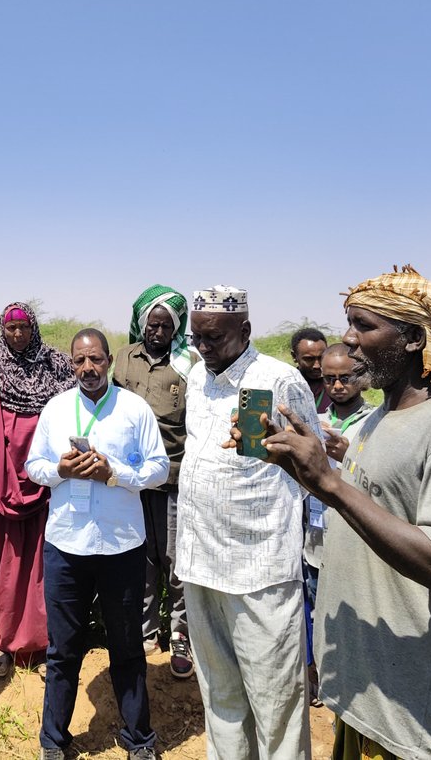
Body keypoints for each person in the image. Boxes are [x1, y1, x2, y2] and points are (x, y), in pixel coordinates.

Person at [258, 265, 431, 759]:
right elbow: (370, 509)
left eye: (364, 326)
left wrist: (329, 482)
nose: (347, 339)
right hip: (369, 693)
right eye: (348, 323)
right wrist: (304, 471)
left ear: (413, 338)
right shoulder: (379, 418)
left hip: (422, 716)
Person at [175, 285, 320, 760]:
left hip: (259, 571)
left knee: (276, 702)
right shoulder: (197, 376)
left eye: (214, 337)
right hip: (200, 563)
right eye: (197, 337)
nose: (204, 347)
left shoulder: (280, 381)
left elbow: (316, 474)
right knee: (220, 696)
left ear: (246, 331)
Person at [25, 328, 168, 760]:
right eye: (79, 361)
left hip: (120, 546)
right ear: (72, 365)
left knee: (126, 647)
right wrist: (61, 471)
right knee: (63, 648)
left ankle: (138, 738)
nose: (87, 368)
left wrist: (116, 473)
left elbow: (159, 468)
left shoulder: (134, 408)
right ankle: (54, 740)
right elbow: (34, 466)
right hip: (67, 544)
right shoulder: (56, 408)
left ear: (109, 361)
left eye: (96, 360)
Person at [0, 301, 76, 677]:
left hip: (50, 479)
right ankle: (6, 644)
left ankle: (42, 648)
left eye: (23, 328)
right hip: (1, 480)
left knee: (44, 566)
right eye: (11, 329)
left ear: (33, 329)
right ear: (2, 330)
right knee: (4, 566)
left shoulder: (57, 365)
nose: (17, 335)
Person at [110, 285, 194, 677]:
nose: (157, 332)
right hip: (129, 478)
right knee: (138, 559)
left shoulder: (188, 362)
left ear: (175, 329)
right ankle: (146, 632)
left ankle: (181, 634)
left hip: (174, 475)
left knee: (175, 560)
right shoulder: (125, 358)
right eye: (151, 324)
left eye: (165, 326)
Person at [301, 343, 373, 707]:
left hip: (354, 541)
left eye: (346, 378)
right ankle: (320, 678)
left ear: (361, 378)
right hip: (315, 541)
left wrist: (350, 458)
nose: (338, 386)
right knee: (315, 610)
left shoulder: (376, 423)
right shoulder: (313, 421)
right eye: (330, 379)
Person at [290, 326, 330, 414]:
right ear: (294, 356)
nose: (317, 365)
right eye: (309, 359)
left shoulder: (337, 386)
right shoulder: (287, 386)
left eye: (321, 358)